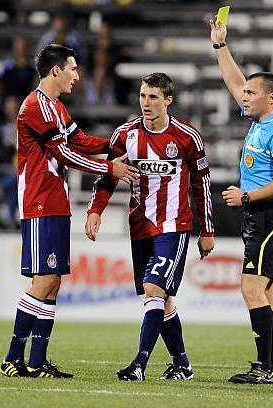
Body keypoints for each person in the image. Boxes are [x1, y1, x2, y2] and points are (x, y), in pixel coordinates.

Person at [0, 43, 138, 379]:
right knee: (43, 279)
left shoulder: (57, 108)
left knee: (54, 281)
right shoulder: (34, 106)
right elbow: (64, 155)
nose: (78, 75)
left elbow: (81, 142)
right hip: (39, 200)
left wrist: (120, 140)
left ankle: (37, 361)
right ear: (56, 71)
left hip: (56, 201)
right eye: (73, 69)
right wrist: (109, 169)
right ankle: (12, 358)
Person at [85, 72, 215, 381]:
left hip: (174, 226)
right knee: (162, 297)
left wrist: (207, 230)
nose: (146, 103)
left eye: (153, 97)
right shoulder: (125, 135)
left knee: (154, 289)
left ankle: (139, 364)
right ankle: (182, 365)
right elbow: (108, 176)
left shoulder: (187, 137)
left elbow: (202, 185)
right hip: (140, 225)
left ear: (168, 100)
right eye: (143, 96)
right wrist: (95, 211)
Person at [210, 19, 273, 384]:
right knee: (269, 293)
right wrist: (220, 46)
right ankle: (270, 368)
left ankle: (266, 369)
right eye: (245, 93)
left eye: (250, 93)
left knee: (250, 288)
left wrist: (246, 196)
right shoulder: (261, 121)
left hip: (271, 216)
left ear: (271, 98)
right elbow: (234, 80)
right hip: (264, 216)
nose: (243, 96)